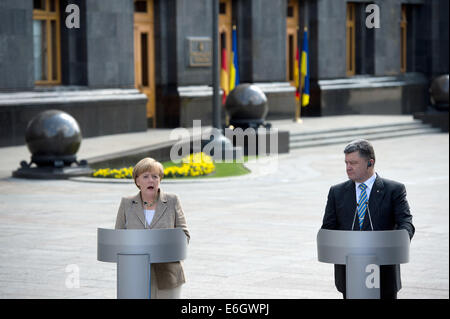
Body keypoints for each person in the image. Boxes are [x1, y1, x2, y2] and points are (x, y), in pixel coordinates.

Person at [321, 139, 415, 299]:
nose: (348, 168)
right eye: (346, 163)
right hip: (349, 272)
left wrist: (398, 241)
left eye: (354, 163)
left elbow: (406, 223)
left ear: (370, 163)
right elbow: (328, 227)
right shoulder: (337, 192)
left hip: (383, 271)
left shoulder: (394, 190)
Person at [115, 157, 190, 299]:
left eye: (155, 176)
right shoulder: (126, 203)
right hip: (135, 273)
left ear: (160, 180)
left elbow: (185, 235)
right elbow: (118, 238)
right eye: (146, 176)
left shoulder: (172, 200)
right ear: (137, 181)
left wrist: (165, 246)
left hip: (168, 274)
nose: (151, 180)